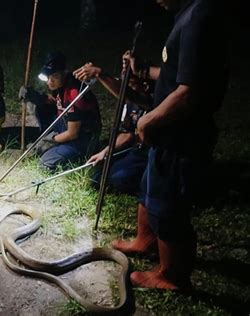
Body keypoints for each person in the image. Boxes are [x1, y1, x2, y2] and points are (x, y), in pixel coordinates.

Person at [111, 0, 229, 290]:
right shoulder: (186, 14)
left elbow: (190, 91)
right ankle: (145, 240)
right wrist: (142, 71)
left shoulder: (200, 17)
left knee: (169, 205)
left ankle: (172, 275)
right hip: (166, 133)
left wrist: (147, 120)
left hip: (183, 134)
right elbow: (175, 73)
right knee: (149, 188)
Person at [73, 62, 152, 195]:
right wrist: (105, 152)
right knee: (97, 179)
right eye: (124, 83)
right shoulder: (129, 104)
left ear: (145, 85)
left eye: (130, 83)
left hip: (147, 152)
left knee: (119, 178)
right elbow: (127, 134)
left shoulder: (151, 100)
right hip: (132, 148)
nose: (125, 88)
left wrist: (99, 74)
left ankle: (145, 187)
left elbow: (128, 95)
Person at [19, 51, 101, 170]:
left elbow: (73, 133)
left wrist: (49, 141)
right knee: (40, 105)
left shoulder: (74, 93)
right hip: (66, 123)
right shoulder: (60, 84)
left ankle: (77, 155)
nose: (50, 81)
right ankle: (51, 140)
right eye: (48, 77)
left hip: (82, 136)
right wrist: (33, 96)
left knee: (44, 164)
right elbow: (54, 102)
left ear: (64, 72)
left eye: (55, 77)